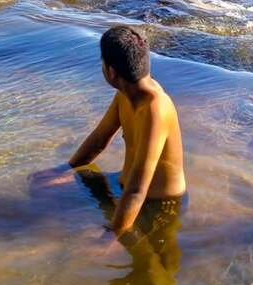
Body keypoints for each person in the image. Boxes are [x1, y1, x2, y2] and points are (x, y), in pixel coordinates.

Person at [34, 25, 186, 245]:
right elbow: (99, 140)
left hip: (159, 204)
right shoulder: (126, 94)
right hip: (123, 187)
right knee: (40, 186)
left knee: (144, 262)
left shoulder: (156, 108)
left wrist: (111, 236)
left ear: (110, 71)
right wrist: (63, 170)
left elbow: (137, 189)